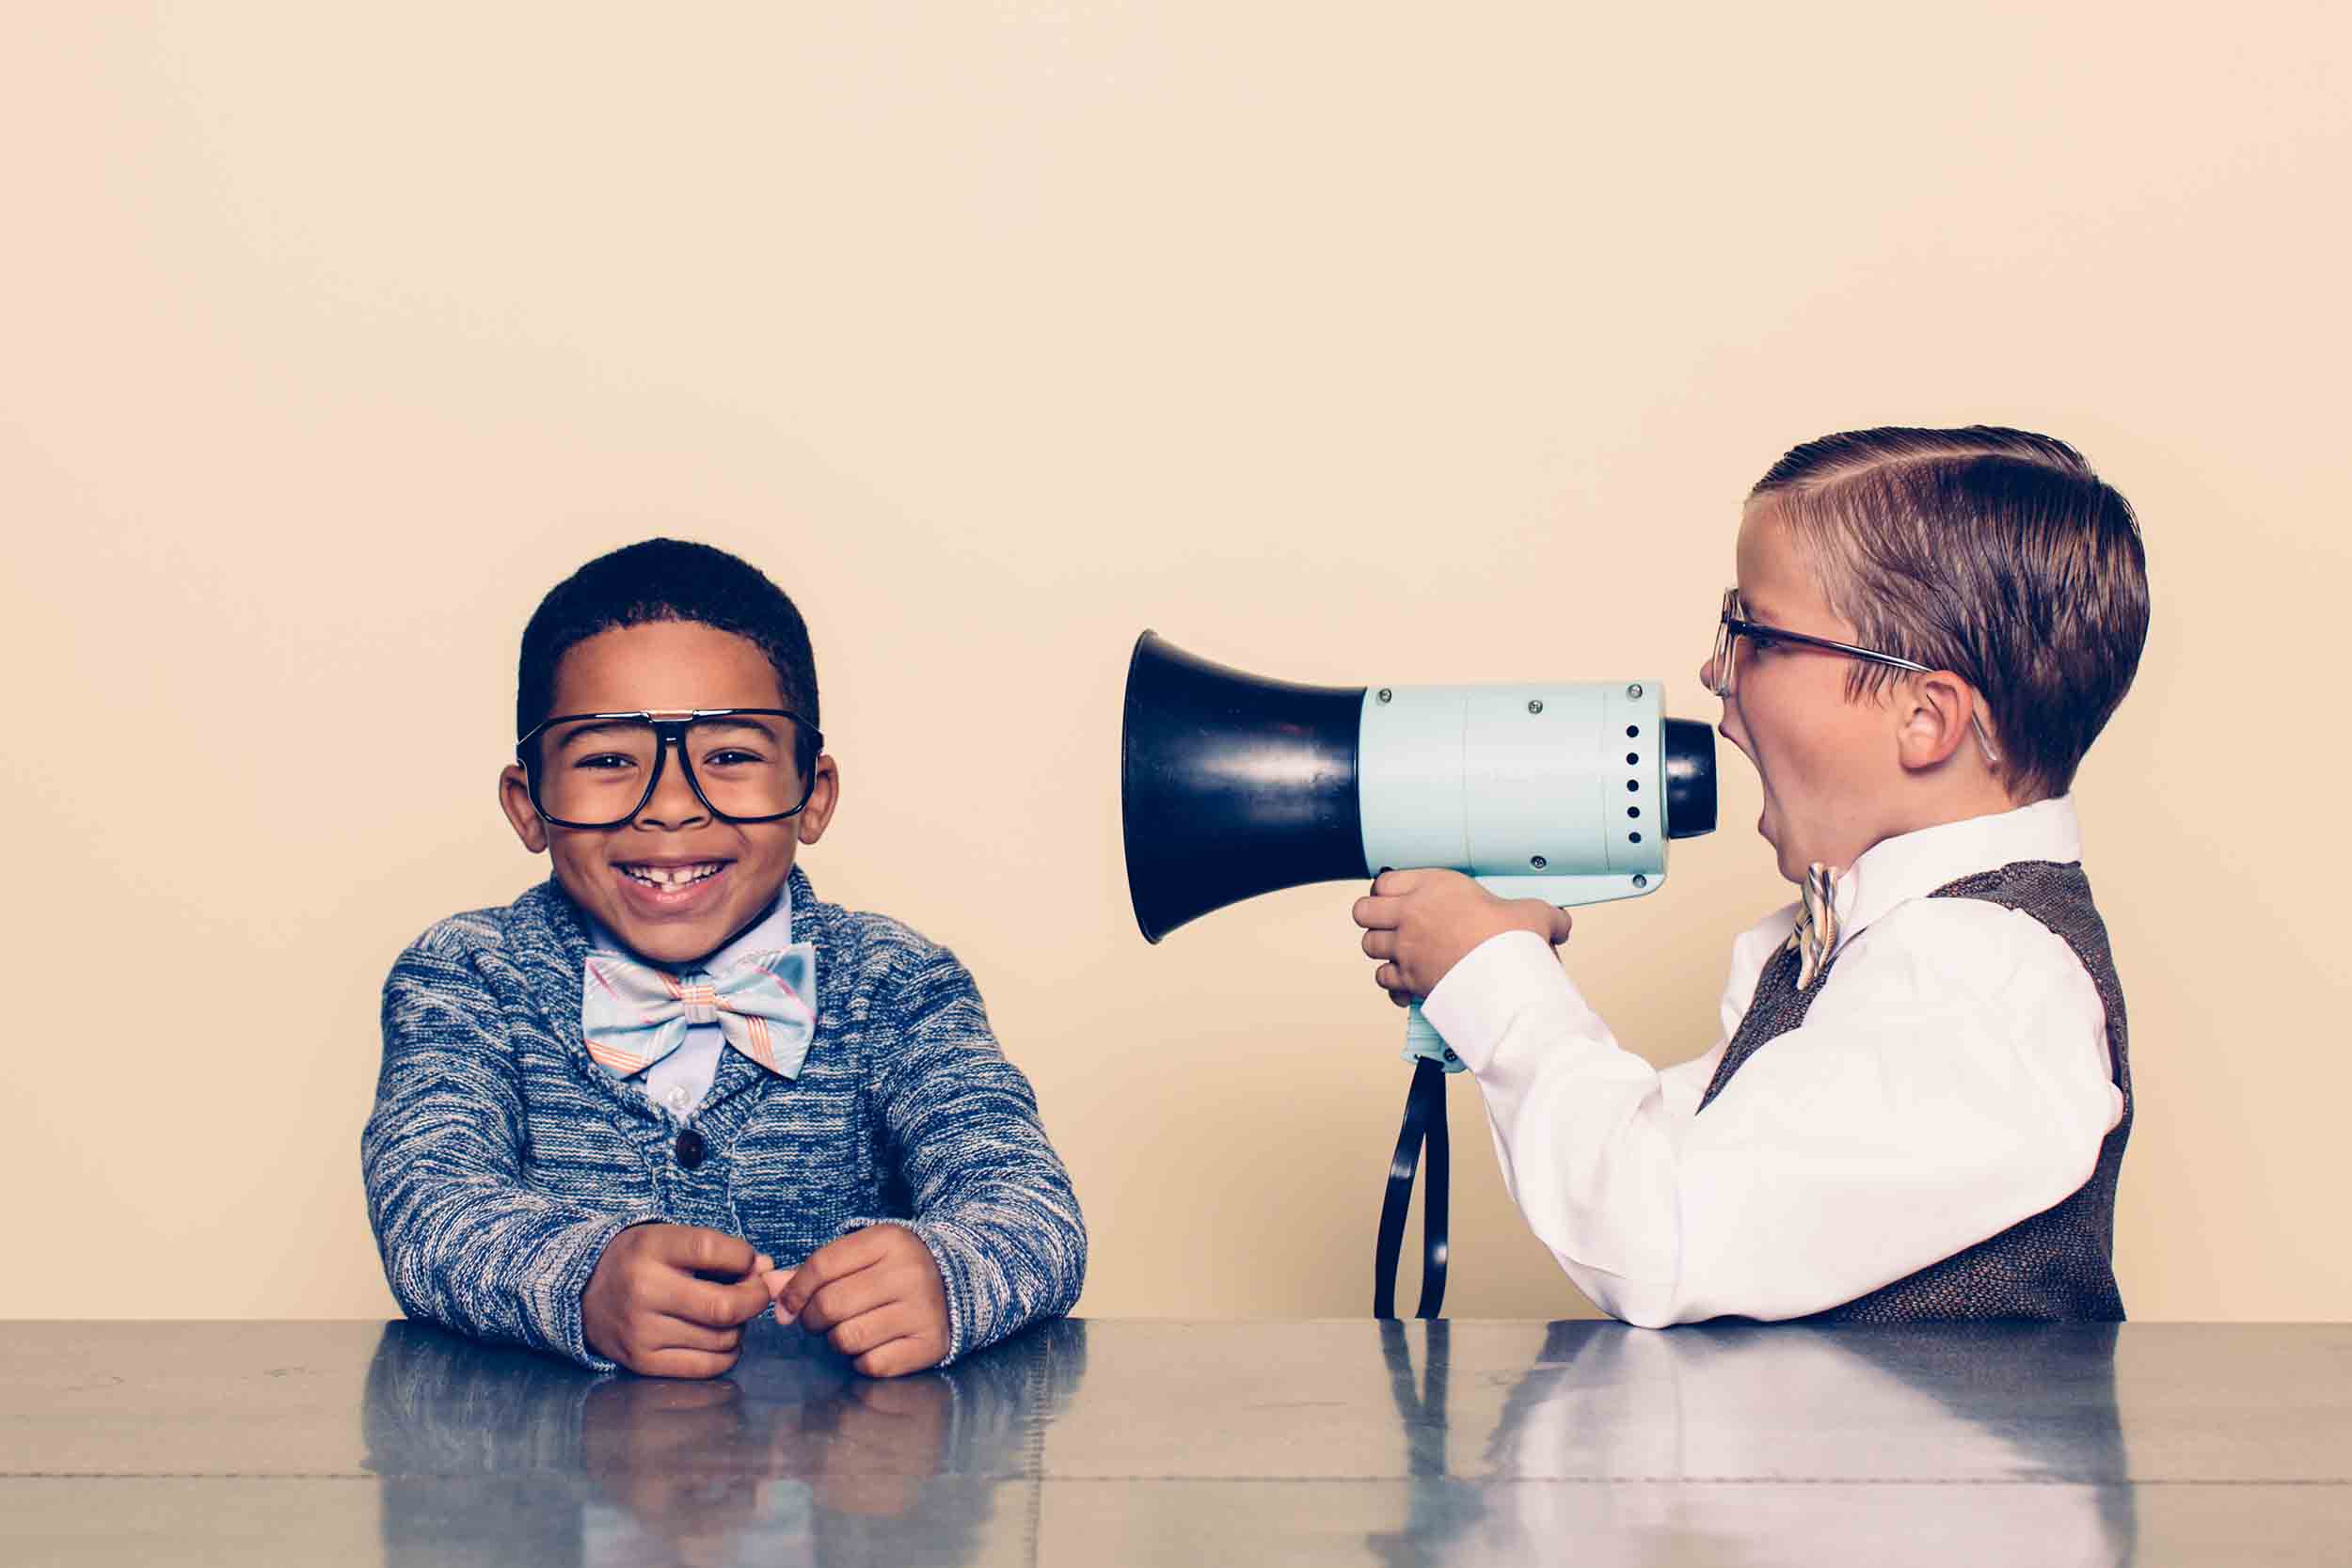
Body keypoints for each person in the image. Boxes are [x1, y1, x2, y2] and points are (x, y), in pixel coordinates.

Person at [1354, 426, 2149, 1324]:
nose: (1714, 671)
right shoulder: (1869, 944)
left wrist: (1497, 981)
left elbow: (1658, 1234)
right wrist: (1494, 965)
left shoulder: (1985, 983)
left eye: (1759, 637)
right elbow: (1685, 1152)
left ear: (1926, 719)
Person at [364, 538, 1086, 1377]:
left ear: (812, 794)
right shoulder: (469, 977)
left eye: (731, 757)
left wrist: (948, 1277)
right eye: (607, 760)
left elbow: (1030, 1206)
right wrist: (586, 1284)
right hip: (544, 1490)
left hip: (855, 1494)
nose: (671, 807)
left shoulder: (899, 983)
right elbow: (431, 1206)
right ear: (531, 806)